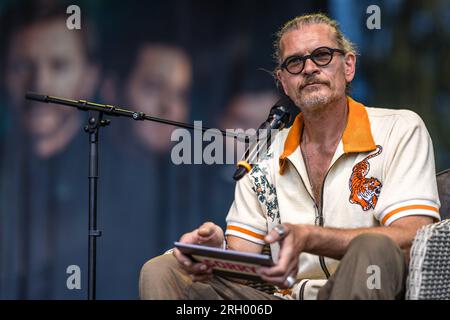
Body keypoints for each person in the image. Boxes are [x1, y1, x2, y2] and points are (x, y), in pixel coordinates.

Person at [139, 13, 441, 300]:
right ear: (283, 81)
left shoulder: (399, 129)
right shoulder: (263, 153)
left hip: (364, 287)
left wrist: (311, 237)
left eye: (322, 55)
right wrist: (215, 250)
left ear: (348, 66)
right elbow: (243, 265)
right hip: (279, 297)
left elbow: (412, 236)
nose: (309, 68)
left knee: (374, 246)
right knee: (163, 270)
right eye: (295, 62)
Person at [0, 1, 100, 299]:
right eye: (22, 66)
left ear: (89, 77)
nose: (40, 83)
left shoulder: (129, 182)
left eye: (58, 65)